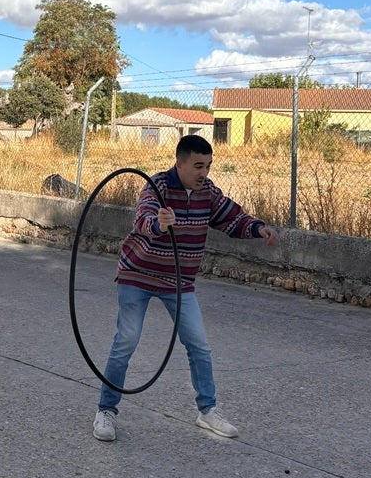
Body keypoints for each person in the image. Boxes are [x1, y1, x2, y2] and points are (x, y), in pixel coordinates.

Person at [92, 134, 279, 442]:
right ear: (180, 163)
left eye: (207, 166)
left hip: (178, 282)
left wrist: (259, 229)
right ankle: (106, 412)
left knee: (199, 345)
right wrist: (159, 224)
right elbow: (144, 218)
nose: (203, 173)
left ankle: (207, 411)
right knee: (126, 341)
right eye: (197, 166)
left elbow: (232, 218)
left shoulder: (207, 192)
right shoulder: (158, 186)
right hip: (137, 275)